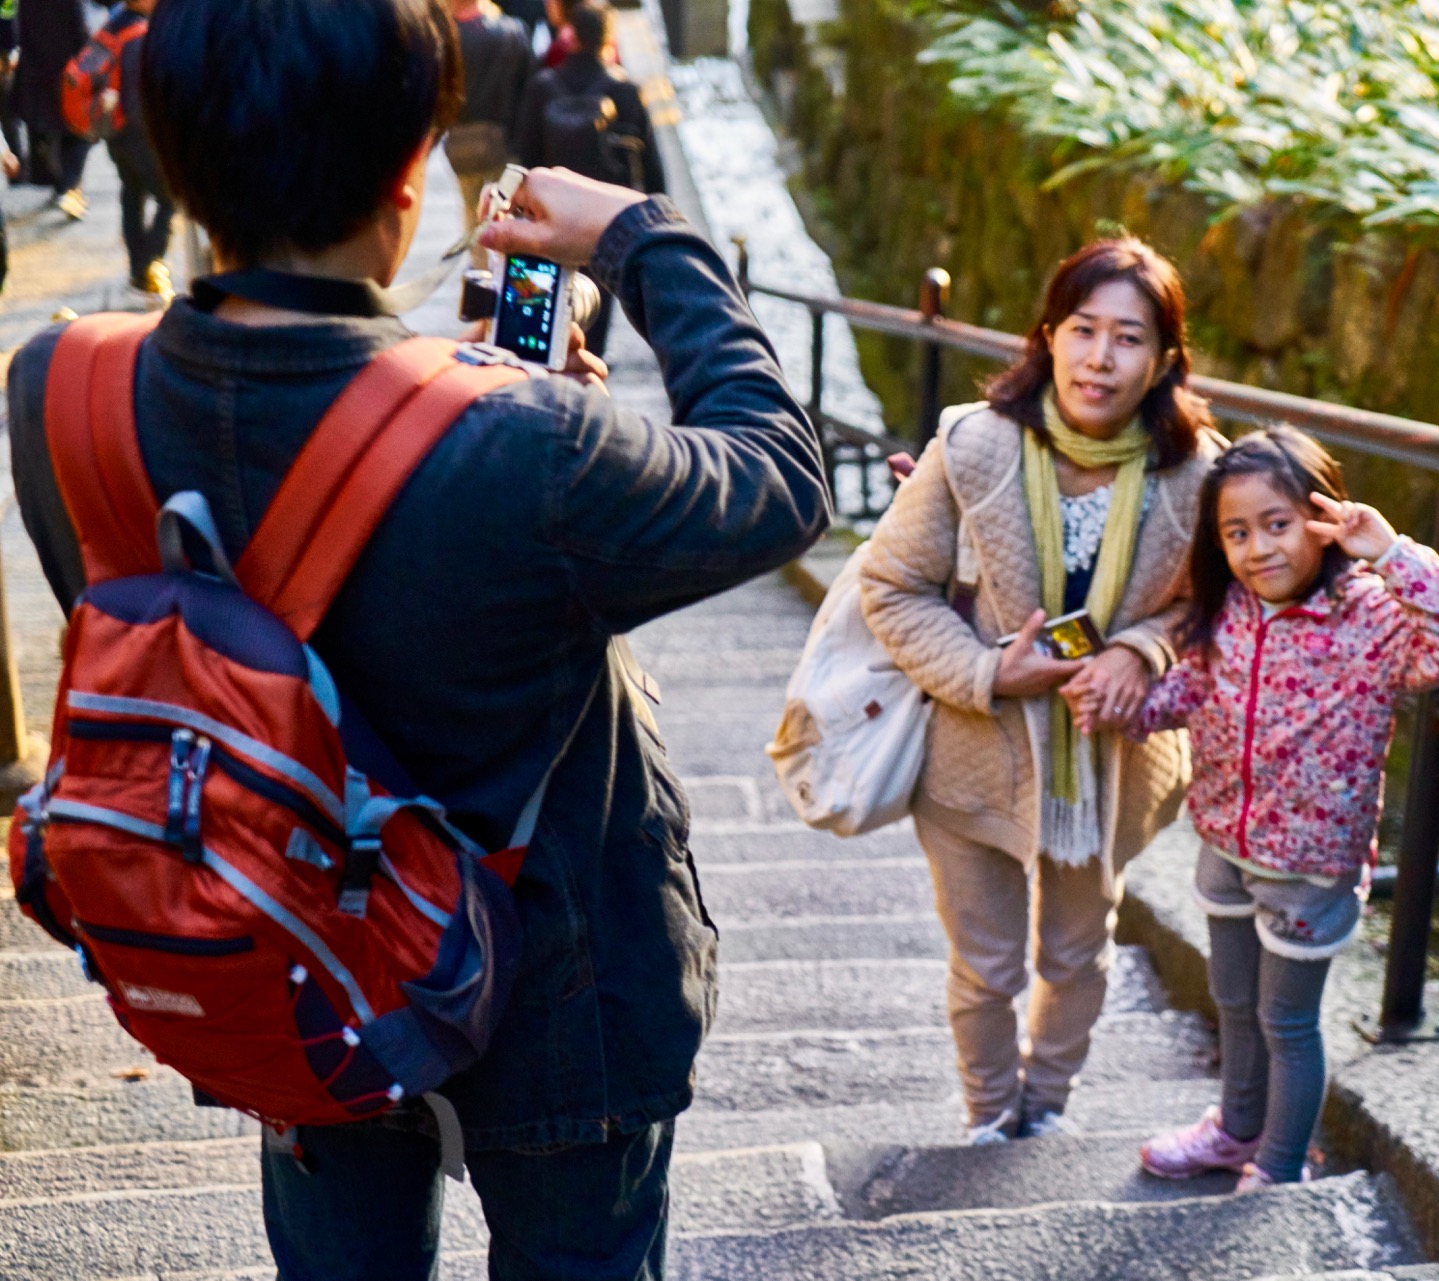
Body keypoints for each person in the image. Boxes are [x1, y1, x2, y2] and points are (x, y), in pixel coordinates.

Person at [5, 0, 829, 1277]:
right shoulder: (527, 451)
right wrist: (643, 238)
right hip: (557, 980)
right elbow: (778, 474)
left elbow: (192, 589)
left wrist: (457, 408)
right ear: (408, 181)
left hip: (279, 953)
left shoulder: (61, 390)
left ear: (163, 148)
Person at [859, 238, 1219, 1143]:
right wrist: (988, 671)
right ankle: (989, 1115)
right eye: (1083, 330)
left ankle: (1046, 1108)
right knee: (984, 961)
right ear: (1048, 336)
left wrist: (1141, 650)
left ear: (1165, 360)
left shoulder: (1199, 473)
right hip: (971, 743)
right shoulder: (973, 445)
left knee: (1078, 948)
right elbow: (890, 586)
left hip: (1108, 758)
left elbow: (1208, 606)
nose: (1101, 358)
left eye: (1128, 338)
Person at [1132, 429, 1439, 1190]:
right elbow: (1194, 692)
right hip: (1224, 839)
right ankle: (1236, 1129)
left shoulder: (1366, 614)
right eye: (1237, 531)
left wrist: (1389, 550)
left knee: (1288, 1024)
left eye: (1278, 522)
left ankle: (1278, 1166)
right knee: (1232, 998)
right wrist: (1119, 701)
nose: (1259, 547)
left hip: (1310, 864)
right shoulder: (1228, 607)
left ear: (1320, 518)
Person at [515, 0, 660, 355]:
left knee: (543, 302)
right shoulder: (626, 92)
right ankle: (586, 362)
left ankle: (544, 361)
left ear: (572, 37)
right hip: (604, 219)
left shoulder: (542, 86)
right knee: (593, 306)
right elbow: (651, 165)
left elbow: (524, 151)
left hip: (548, 211)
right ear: (608, 41)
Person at [447, 0, 532, 266]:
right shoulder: (512, 31)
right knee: (512, 210)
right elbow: (529, 85)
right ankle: (511, 274)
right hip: (505, 141)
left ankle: (482, 276)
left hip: (462, 143)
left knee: (473, 214)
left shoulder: (446, 39)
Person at [100, 0, 172, 298]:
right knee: (170, 200)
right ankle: (149, 264)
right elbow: (137, 103)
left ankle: (137, 268)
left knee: (131, 195)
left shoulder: (113, 23)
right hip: (140, 137)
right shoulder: (138, 37)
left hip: (116, 135)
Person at [16, 0, 89, 216]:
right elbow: (79, 31)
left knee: (55, 129)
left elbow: (20, 28)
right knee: (78, 133)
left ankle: (65, 186)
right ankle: (69, 186)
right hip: (67, 73)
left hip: (37, 71)